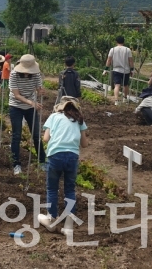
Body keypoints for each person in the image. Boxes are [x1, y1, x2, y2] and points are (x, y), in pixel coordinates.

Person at [38, 96, 87, 236]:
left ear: (61, 107)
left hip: (55, 156)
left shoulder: (54, 116)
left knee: (52, 188)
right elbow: (84, 144)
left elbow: (46, 139)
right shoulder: (79, 120)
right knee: (69, 190)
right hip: (72, 156)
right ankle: (69, 226)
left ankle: (51, 219)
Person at [9, 54, 46, 175]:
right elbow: (16, 95)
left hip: (31, 107)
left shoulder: (36, 74)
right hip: (16, 106)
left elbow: (38, 88)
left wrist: (40, 91)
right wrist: (31, 102)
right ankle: (16, 164)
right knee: (17, 135)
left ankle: (42, 161)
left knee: (36, 134)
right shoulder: (14, 74)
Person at [104, 36, 134, 105]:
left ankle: (116, 100)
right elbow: (131, 61)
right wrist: (132, 70)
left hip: (116, 70)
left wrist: (105, 69)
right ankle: (125, 98)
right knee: (125, 85)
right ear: (124, 41)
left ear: (116, 42)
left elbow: (109, 60)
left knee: (117, 85)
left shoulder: (113, 49)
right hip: (125, 70)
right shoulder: (127, 50)